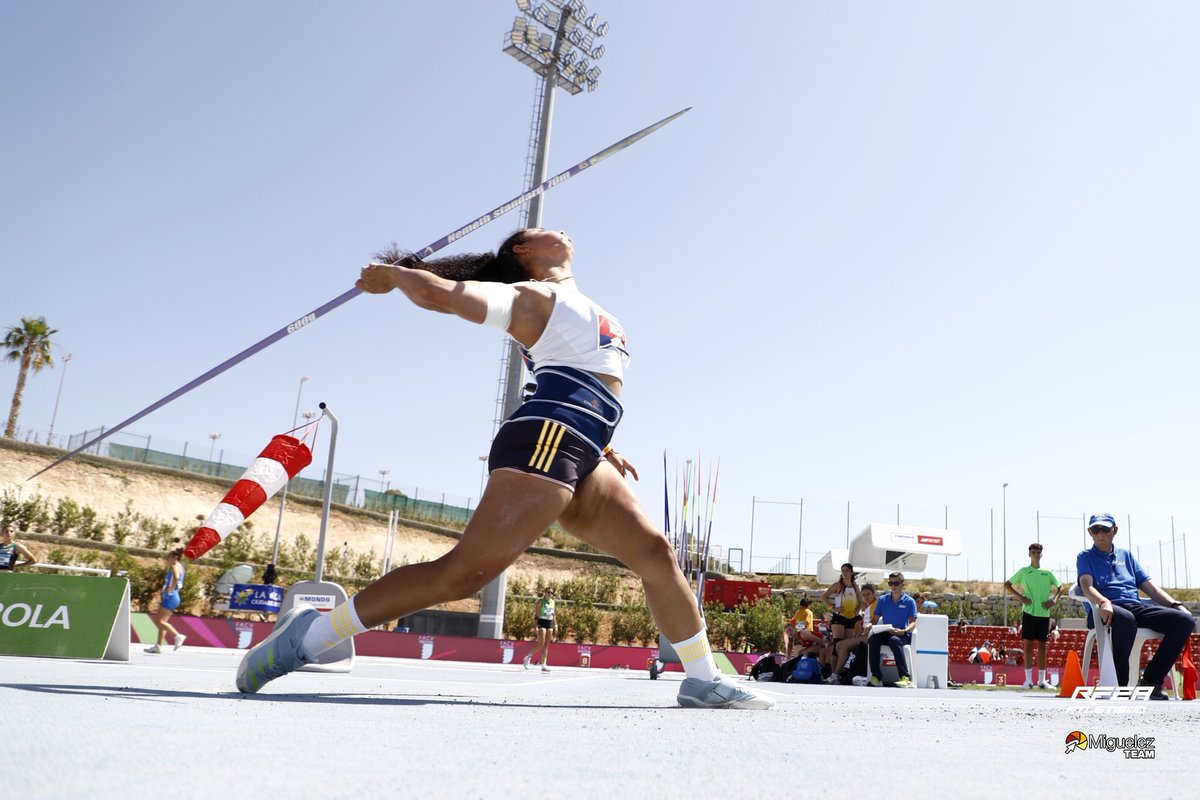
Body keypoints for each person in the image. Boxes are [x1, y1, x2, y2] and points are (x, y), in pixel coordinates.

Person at [235, 228, 770, 709]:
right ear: (524, 251)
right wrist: (396, 275)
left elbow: (577, 373)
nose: (559, 228)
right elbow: (441, 295)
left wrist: (605, 448)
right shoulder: (532, 297)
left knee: (656, 552)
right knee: (464, 573)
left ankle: (701, 677)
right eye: (541, 230)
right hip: (547, 438)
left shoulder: (574, 303)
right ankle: (309, 637)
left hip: (584, 442)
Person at [1076, 513, 1195, 699]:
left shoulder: (1126, 555)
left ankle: (1151, 681)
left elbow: (1152, 590)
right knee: (1125, 618)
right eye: (1095, 530)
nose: (1100, 534)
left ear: (1115, 530)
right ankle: (1120, 687)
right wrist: (1103, 601)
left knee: (1184, 621)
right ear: (1089, 532)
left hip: (1134, 606)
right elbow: (1086, 585)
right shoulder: (1085, 556)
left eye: (1105, 529)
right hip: (1103, 609)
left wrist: (1176, 604)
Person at [1004, 542, 1064, 689]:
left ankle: (1042, 681)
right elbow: (1007, 584)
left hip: (1044, 614)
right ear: (1029, 554)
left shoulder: (1047, 572)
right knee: (1028, 647)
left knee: (1043, 648)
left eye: (1038, 552)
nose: (1036, 554)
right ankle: (1028, 681)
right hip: (1029, 613)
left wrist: (1054, 600)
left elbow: (1061, 587)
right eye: (1033, 551)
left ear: (1041, 554)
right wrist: (1022, 598)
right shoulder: (1024, 571)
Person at [867, 572, 918, 687]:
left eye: (896, 583)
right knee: (873, 639)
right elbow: (874, 620)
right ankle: (876, 677)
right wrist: (869, 625)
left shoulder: (910, 602)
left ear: (902, 584)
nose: (893, 586)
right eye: (891, 583)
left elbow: (913, 623)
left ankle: (905, 677)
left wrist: (904, 631)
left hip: (901, 634)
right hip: (886, 632)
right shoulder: (883, 600)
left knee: (894, 640)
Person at [827, 583, 878, 683]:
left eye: (868, 594)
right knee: (839, 645)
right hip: (865, 636)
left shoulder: (875, 606)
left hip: (871, 636)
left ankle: (836, 674)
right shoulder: (868, 608)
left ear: (873, 594)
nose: (866, 597)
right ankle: (838, 673)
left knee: (841, 645)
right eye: (863, 595)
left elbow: (874, 622)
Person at [146, 548, 187, 653]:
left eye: (168, 557)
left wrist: (171, 588)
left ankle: (177, 636)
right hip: (172, 596)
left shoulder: (174, 566)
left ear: (175, 558)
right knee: (162, 623)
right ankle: (158, 646)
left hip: (171, 596)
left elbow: (176, 577)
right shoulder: (180, 566)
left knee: (158, 621)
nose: (167, 559)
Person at [820, 562, 861, 654]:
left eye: (847, 570)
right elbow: (823, 596)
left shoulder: (855, 586)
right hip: (839, 617)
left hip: (851, 618)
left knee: (847, 647)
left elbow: (860, 601)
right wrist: (833, 608)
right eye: (842, 571)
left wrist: (856, 611)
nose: (844, 573)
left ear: (851, 572)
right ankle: (833, 668)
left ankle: (843, 668)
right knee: (837, 645)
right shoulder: (838, 585)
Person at [523, 586, 556, 672]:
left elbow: (553, 614)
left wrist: (555, 625)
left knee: (546, 646)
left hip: (549, 622)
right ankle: (528, 657)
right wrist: (535, 626)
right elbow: (536, 615)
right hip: (542, 621)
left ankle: (544, 664)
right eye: (548, 592)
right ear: (545, 593)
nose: (550, 594)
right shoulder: (540, 602)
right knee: (540, 644)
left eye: (551, 593)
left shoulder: (553, 602)